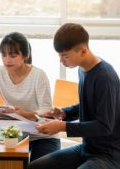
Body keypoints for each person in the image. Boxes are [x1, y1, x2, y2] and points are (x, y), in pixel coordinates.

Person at [29, 23, 120, 169]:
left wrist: (63, 127)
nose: (61, 60)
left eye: (65, 55)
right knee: (35, 167)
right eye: (59, 55)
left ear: (83, 51)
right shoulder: (82, 69)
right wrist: (65, 112)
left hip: (108, 155)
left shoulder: (105, 77)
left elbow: (105, 126)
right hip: (86, 148)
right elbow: (88, 105)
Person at [0, 32, 60, 162]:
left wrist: (26, 114)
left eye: (13, 55)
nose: (7, 59)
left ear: (25, 55)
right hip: (14, 134)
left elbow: (47, 111)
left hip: (43, 135)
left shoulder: (38, 75)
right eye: (4, 55)